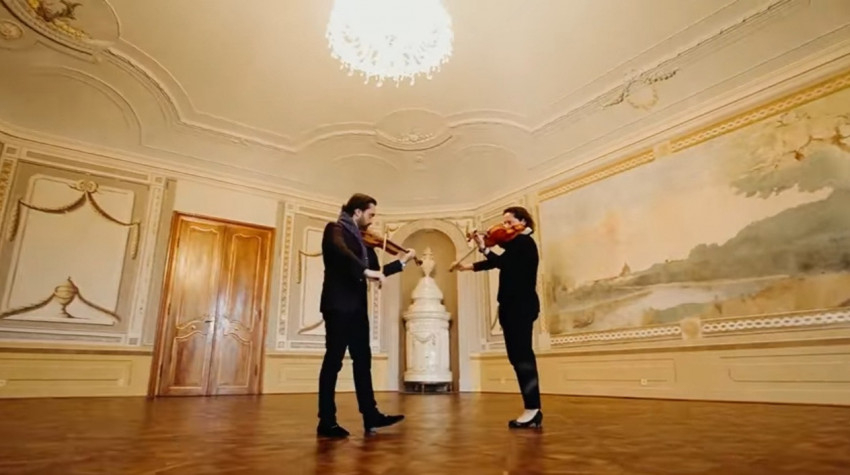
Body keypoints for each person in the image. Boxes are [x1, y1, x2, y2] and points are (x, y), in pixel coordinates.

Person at [317, 193, 416, 438]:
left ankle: (371, 415)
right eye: (370, 215)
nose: (372, 221)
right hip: (338, 306)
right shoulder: (334, 230)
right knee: (333, 362)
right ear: (357, 212)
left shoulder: (363, 242)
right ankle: (326, 421)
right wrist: (365, 271)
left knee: (363, 361)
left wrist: (402, 261)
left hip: (357, 309)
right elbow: (341, 252)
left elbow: (377, 271)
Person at [456, 206, 542, 429]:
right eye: (503, 223)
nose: (504, 227)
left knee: (522, 358)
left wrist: (484, 248)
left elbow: (502, 262)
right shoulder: (516, 244)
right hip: (512, 307)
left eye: (509, 222)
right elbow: (498, 262)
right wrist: (467, 266)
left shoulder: (524, 242)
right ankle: (532, 408)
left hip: (521, 307)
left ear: (523, 222)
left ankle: (532, 409)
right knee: (517, 358)